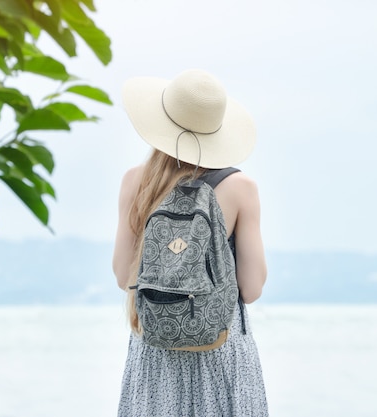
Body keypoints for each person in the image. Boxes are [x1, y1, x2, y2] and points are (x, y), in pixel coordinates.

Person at [112, 69, 269, 416]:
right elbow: (252, 288)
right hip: (220, 347)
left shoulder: (134, 182)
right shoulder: (241, 188)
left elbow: (125, 275)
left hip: (153, 347)